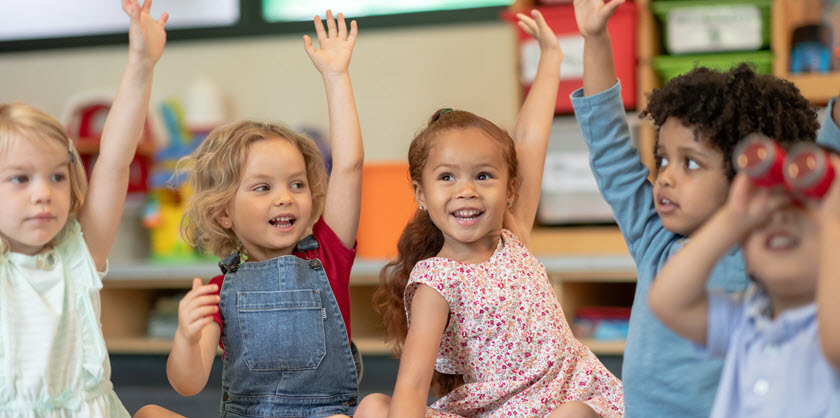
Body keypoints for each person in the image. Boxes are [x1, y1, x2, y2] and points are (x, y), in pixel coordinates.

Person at [569, 0, 837, 416]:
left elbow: (822, 177)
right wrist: (596, 39)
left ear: (748, 176)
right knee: (575, 411)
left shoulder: (767, 249)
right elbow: (609, 147)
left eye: (690, 163)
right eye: (662, 159)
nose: (667, 177)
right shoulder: (654, 237)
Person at [356, 10, 623, 418]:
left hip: (567, 401)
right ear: (420, 194)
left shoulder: (511, 235)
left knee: (573, 414)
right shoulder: (436, 281)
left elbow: (531, 139)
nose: (467, 190)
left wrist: (550, 58)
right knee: (375, 406)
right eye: (446, 177)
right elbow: (411, 383)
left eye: (483, 176)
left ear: (510, 189)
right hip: (493, 412)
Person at [136, 10, 364, 418]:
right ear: (225, 212)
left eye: (297, 184)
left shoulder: (328, 256)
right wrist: (187, 337)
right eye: (263, 187)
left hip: (322, 414)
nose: (285, 198)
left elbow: (348, 165)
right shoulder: (218, 288)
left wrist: (337, 77)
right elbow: (187, 385)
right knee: (150, 414)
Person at [0, 1, 167, 417]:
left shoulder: (80, 252)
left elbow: (113, 159)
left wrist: (141, 63)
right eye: (21, 179)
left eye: (56, 176)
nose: (44, 193)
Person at [648, 153, 840, 417]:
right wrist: (734, 217)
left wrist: (834, 218)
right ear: (745, 255)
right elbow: (667, 301)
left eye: (802, 213)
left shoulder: (827, 327)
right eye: (762, 220)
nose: (780, 219)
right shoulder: (745, 319)